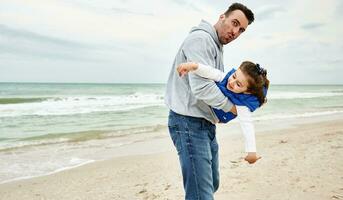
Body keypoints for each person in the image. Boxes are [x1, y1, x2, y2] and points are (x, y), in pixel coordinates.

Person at [165, 2, 255, 200]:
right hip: (188, 122)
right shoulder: (202, 40)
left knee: (211, 183)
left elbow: (215, 78)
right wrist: (233, 109)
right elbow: (202, 87)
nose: (235, 32)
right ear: (222, 16)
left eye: (241, 30)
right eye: (234, 23)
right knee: (201, 194)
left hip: (203, 123)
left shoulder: (216, 44)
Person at [177, 61, 269, 163]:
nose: (231, 83)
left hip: (216, 117)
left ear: (247, 92)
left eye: (238, 84)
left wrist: (252, 153)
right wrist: (193, 66)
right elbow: (210, 72)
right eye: (234, 76)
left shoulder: (243, 105)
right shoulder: (225, 77)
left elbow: (247, 126)